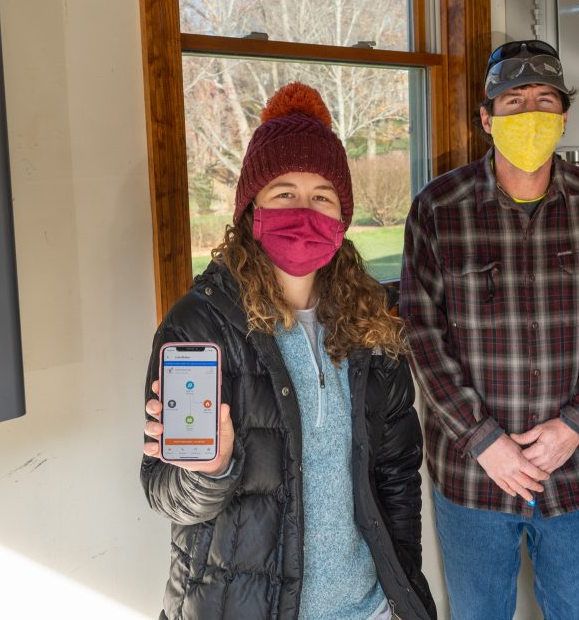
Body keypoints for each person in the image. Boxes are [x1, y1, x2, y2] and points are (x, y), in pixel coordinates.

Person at [141, 82, 436, 620]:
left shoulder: (371, 322)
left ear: (342, 216)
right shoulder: (201, 325)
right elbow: (164, 494)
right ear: (252, 208)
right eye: (284, 193)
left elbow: (397, 469)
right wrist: (210, 468)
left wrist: (404, 583)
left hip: (369, 611)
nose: (304, 210)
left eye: (322, 195)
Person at [400, 40, 579, 619]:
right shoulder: (439, 209)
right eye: (513, 102)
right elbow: (424, 337)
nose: (529, 114)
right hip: (474, 477)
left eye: (544, 100)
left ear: (563, 116)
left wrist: (573, 428)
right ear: (486, 118)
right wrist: (485, 440)